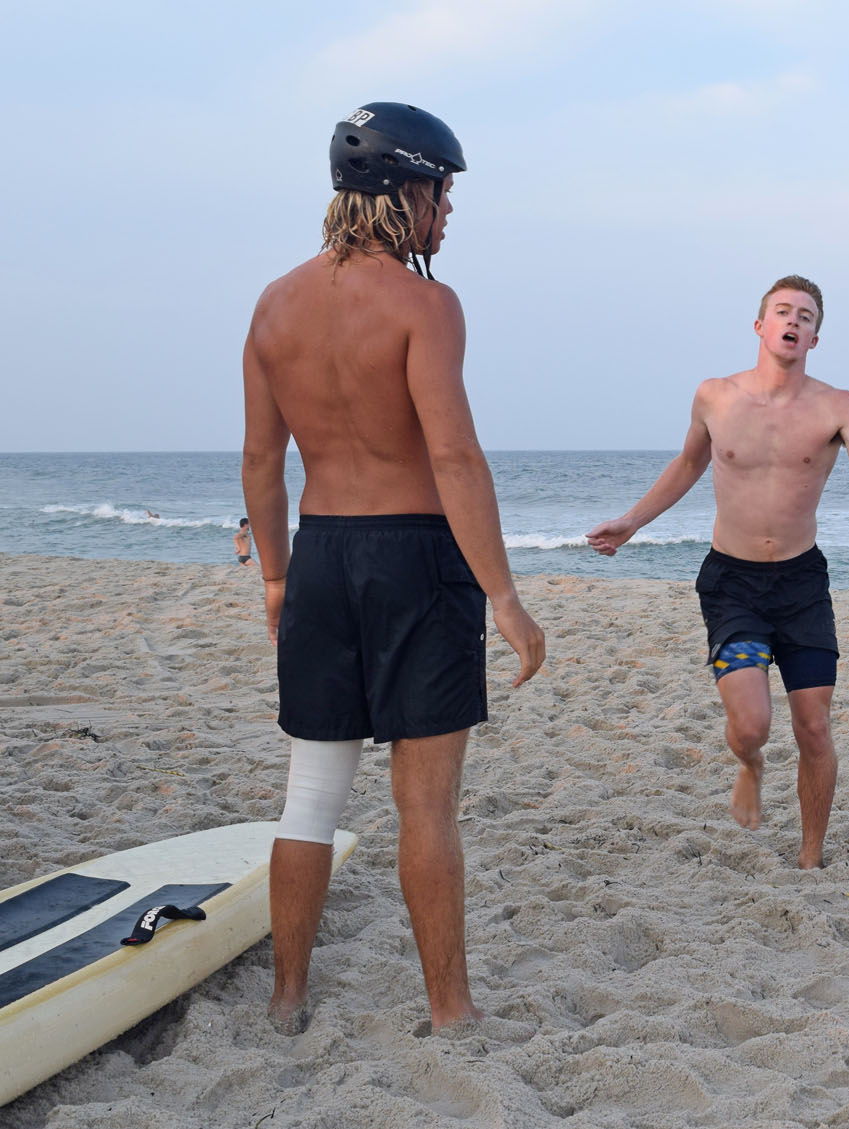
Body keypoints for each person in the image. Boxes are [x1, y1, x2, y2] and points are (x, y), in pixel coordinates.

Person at [241, 102, 545, 1036]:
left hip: (322, 554)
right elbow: (454, 456)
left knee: (310, 796)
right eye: (442, 193)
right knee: (426, 805)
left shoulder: (274, 305)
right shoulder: (425, 305)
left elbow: (260, 463)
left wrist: (277, 579)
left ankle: (287, 1000)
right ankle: (451, 1011)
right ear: (404, 190)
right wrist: (503, 594)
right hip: (416, 555)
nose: (447, 212)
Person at [586, 275, 849, 869]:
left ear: (815, 338)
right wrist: (631, 522)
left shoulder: (839, 407)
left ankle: (810, 856)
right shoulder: (715, 396)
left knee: (813, 727)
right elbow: (688, 464)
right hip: (732, 584)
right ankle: (749, 764)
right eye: (783, 311)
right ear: (760, 325)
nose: (794, 320)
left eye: (806, 316)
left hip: (801, 586)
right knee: (752, 726)